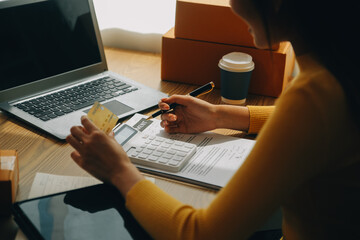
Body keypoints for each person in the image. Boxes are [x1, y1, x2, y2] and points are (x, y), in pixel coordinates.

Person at [66, 0, 360, 239]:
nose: (231, 5)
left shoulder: (314, 95)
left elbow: (200, 234)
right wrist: (220, 114)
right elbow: (322, 126)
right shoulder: (341, 70)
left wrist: (119, 171)